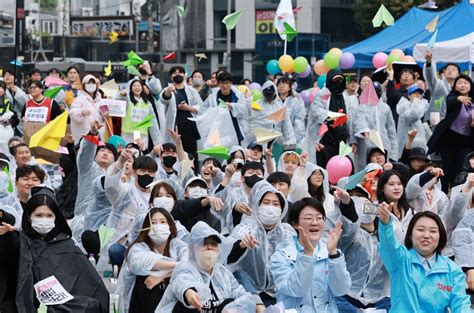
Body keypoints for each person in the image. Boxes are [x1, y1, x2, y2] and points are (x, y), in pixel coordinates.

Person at [14, 187, 109, 312]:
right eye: (38, 215)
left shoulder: (67, 245)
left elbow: (92, 287)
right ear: (28, 217)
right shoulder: (19, 242)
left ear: (56, 218)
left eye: (49, 215)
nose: (44, 219)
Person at [378, 207, 471, 312]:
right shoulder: (400, 260)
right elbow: (388, 247)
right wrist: (385, 224)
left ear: (440, 236)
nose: (426, 235)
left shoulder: (452, 270)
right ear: (410, 235)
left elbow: (461, 304)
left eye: (433, 231)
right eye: (420, 230)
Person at [269, 197, 351, 312]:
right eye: (308, 218)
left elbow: (341, 290)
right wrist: (307, 255)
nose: (314, 222)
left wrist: (333, 253)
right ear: (296, 224)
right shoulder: (281, 256)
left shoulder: (331, 252)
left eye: (319, 218)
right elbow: (296, 289)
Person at [156, 221, 256, 312]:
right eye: (204, 243)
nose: (209, 247)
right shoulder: (184, 268)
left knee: (229, 303)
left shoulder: (222, 272)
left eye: (213, 244)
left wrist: (233, 309)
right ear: (193, 248)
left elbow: (242, 295)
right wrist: (188, 292)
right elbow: (181, 282)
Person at [228, 180, 295, 307]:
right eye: (266, 203)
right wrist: (241, 245)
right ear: (257, 206)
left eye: (276, 204)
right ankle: (259, 307)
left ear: (282, 209)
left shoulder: (287, 232)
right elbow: (226, 256)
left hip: (280, 291)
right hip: (250, 290)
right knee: (239, 274)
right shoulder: (245, 229)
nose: (270, 207)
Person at [117, 207, 188, 313]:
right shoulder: (138, 248)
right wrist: (180, 266)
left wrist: (163, 276)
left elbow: (192, 263)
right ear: (146, 228)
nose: (158, 226)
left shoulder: (177, 245)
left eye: (163, 222)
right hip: (143, 301)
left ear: (170, 225)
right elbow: (144, 262)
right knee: (146, 276)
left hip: (173, 297)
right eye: (153, 223)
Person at [428, 74, 474, 192]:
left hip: (467, 141)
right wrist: (459, 98)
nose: (462, 85)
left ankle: (456, 192)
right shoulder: (452, 97)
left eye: (465, 83)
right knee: (447, 167)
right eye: (459, 83)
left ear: (470, 86)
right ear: (455, 86)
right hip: (450, 139)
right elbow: (450, 101)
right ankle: (443, 192)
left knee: (462, 168)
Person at [305, 70, 357, 166]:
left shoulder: (345, 97)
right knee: (324, 166)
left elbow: (350, 120)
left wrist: (353, 140)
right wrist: (333, 116)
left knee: (340, 166)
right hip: (325, 140)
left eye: (341, 80)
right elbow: (316, 111)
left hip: (341, 140)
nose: (338, 83)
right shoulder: (322, 94)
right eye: (335, 80)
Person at [160, 66, 202, 170]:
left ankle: (193, 174)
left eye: (180, 73)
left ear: (184, 75)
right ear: (171, 77)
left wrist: (187, 107)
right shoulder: (168, 89)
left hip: (190, 128)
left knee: (191, 154)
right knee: (174, 152)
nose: (177, 75)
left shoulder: (191, 91)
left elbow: (200, 106)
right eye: (174, 73)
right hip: (175, 127)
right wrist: (168, 91)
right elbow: (164, 99)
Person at [354, 79, 397, 171]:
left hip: (383, 145)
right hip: (365, 146)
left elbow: (391, 131)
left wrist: (393, 152)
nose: (375, 93)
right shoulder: (361, 107)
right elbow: (357, 125)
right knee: (366, 171)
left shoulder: (385, 108)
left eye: (377, 91)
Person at [202, 71, 248, 146]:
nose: (225, 85)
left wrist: (233, 106)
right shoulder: (212, 97)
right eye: (222, 83)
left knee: (235, 152)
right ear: (218, 84)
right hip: (219, 129)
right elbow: (203, 110)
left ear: (231, 83)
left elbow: (245, 111)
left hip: (235, 128)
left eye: (227, 83)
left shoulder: (238, 96)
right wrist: (214, 111)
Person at [119, 79, 162, 148]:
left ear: (142, 88)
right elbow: (116, 100)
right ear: (130, 88)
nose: (137, 88)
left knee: (140, 154)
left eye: (139, 86)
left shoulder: (147, 103)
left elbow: (153, 122)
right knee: (128, 153)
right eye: (134, 86)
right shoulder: (127, 100)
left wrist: (157, 141)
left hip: (142, 134)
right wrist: (121, 94)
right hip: (128, 133)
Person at [423, 51, 461, 122]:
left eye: (453, 70)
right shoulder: (439, 84)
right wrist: (428, 63)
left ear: (458, 74)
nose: (450, 71)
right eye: (448, 69)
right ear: (444, 72)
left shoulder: (460, 90)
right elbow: (430, 77)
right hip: (435, 119)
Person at [395, 84, 430, 160]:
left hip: (420, 145)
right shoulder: (403, 106)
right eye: (414, 93)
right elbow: (412, 116)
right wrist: (417, 103)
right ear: (409, 96)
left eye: (419, 93)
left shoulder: (422, 107)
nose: (417, 95)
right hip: (406, 144)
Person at [69, 74, 105, 143]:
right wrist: (81, 112)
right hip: (84, 133)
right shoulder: (80, 99)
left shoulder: (100, 100)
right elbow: (72, 112)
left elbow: (105, 114)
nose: (91, 85)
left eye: (93, 83)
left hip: (98, 133)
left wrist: (106, 115)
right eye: (88, 83)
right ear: (84, 85)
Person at [276, 76, 306, 150]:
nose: (281, 86)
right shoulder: (274, 102)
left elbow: (299, 122)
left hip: (292, 140)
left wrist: (293, 140)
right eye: (279, 84)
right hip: (275, 141)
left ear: (290, 87)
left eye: (284, 84)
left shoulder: (296, 102)